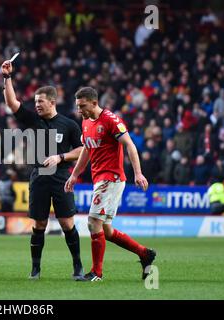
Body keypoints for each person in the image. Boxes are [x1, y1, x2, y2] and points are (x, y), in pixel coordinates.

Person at [1, 59, 85, 280]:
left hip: (61, 177)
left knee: (67, 223)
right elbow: (12, 102)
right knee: (39, 224)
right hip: (38, 176)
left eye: (41, 101)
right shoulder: (32, 120)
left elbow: (83, 150)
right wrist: (7, 77)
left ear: (52, 102)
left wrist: (61, 157)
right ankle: (35, 269)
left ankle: (77, 266)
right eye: (35, 101)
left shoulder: (69, 125)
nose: (37, 105)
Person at [65, 87, 156, 282]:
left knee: (92, 222)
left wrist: (138, 173)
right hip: (99, 178)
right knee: (105, 230)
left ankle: (96, 273)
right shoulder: (85, 121)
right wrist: (74, 175)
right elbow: (86, 150)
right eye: (78, 107)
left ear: (94, 103)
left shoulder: (111, 120)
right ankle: (144, 253)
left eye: (82, 106)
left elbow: (130, 145)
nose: (79, 110)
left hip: (111, 178)